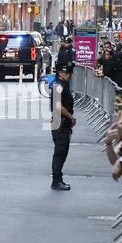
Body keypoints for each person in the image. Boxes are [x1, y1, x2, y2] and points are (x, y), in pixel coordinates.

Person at [50, 62, 75, 190]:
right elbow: (58, 106)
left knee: (62, 152)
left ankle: (58, 179)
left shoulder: (63, 85)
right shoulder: (58, 86)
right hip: (60, 123)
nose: (69, 75)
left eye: (70, 73)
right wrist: (71, 117)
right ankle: (56, 180)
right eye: (66, 73)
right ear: (60, 73)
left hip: (63, 123)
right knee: (60, 153)